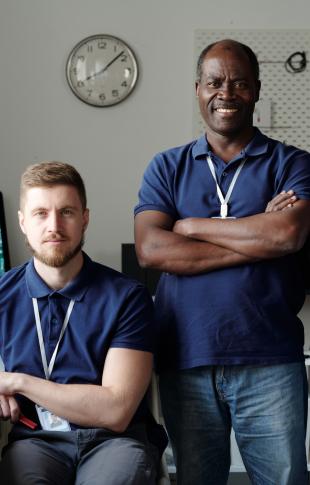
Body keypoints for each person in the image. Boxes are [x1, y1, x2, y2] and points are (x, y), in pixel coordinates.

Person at [134, 39, 310, 485]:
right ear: (198, 89)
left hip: (270, 361)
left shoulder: (293, 164)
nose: (225, 93)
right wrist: (257, 236)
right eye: (214, 82)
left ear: (255, 90)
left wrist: (190, 226)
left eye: (238, 83)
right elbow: (151, 250)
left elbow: (287, 234)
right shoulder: (166, 167)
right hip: (186, 359)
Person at [0, 161, 167, 485]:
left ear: (85, 218)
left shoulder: (127, 297)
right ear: (22, 222)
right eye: (40, 213)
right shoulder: (4, 296)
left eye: (67, 212)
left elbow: (115, 411)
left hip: (114, 442)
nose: (54, 226)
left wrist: (17, 382)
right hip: (35, 442)